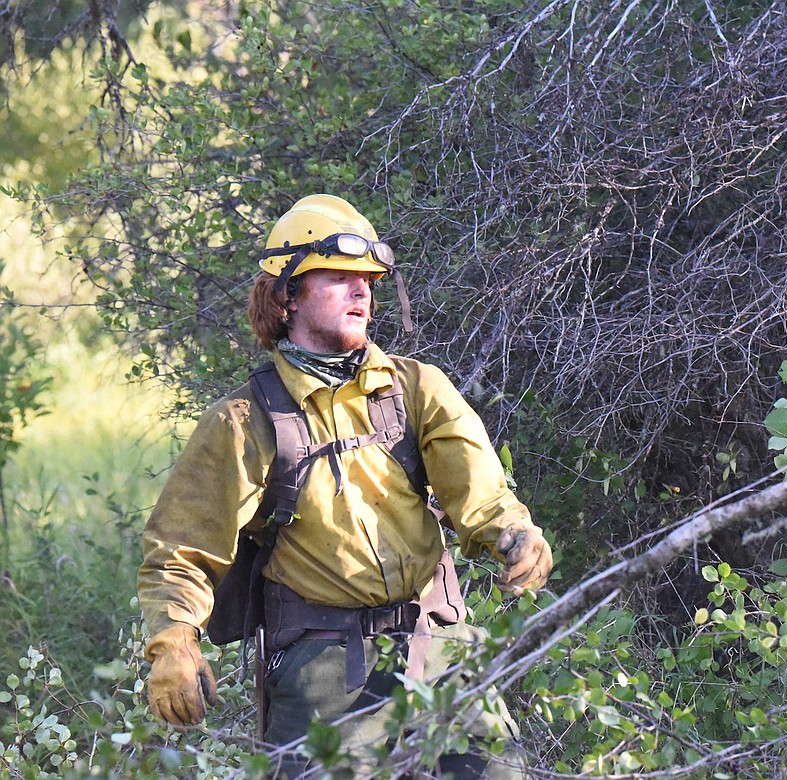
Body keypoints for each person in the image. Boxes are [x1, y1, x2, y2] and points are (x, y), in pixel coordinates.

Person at [137, 194, 553, 777]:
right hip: (322, 674)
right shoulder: (244, 421)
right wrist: (174, 643)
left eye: (368, 281)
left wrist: (515, 535)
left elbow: (480, 495)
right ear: (286, 297)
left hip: (439, 648)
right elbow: (179, 553)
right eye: (340, 278)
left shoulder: (417, 388)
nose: (363, 292)